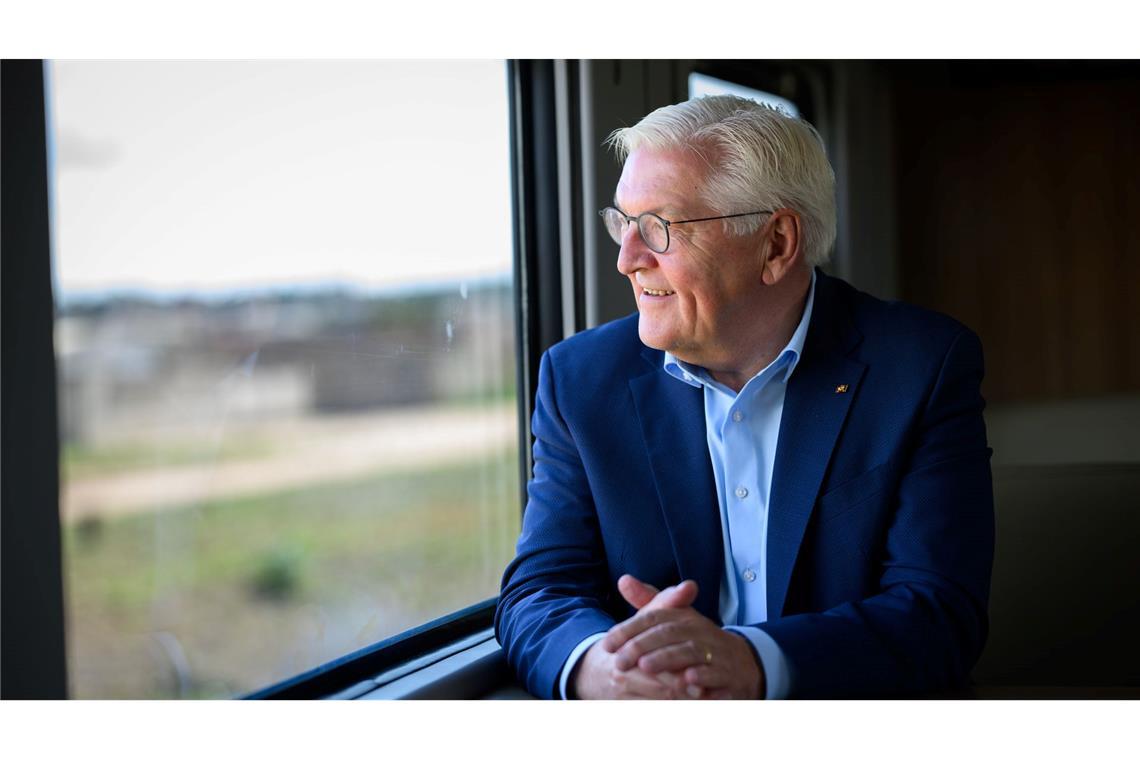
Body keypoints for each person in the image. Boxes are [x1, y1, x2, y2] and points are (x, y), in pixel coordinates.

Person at [494, 95, 994, 699]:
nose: (627, 259)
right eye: (623, 223)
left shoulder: (922, 366)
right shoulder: (579, 381)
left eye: (659, 227)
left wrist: (753, 663)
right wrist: (598, 667)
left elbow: (938, 613)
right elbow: (539, 592)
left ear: (776, 243)